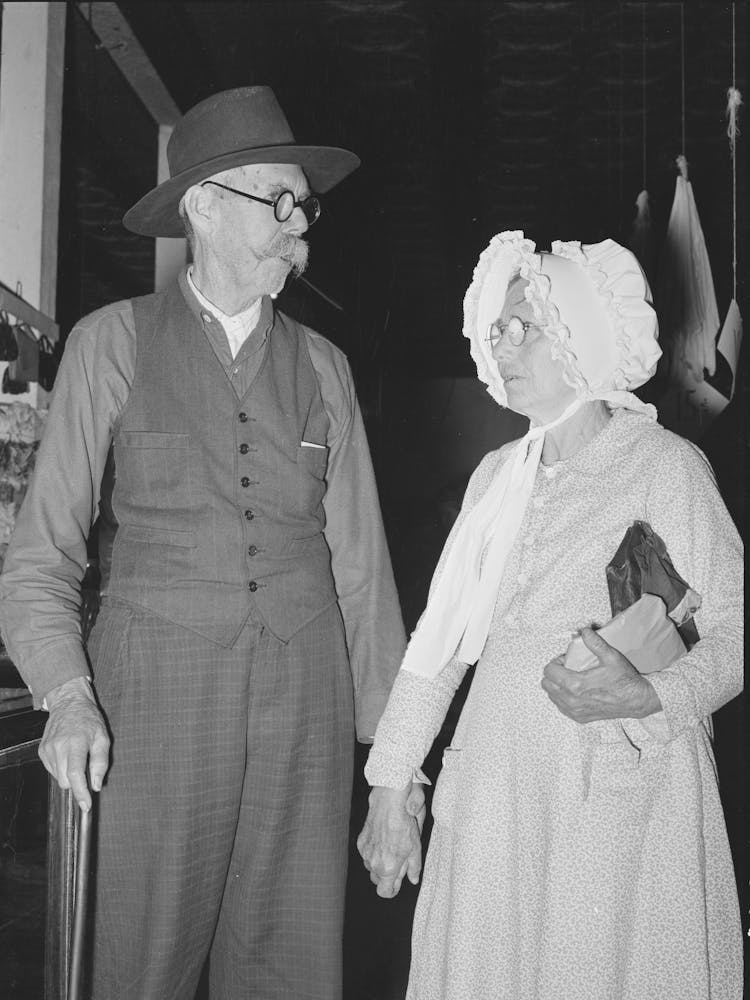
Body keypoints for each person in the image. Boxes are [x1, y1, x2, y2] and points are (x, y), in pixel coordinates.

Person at [0, 86, 406, 1000]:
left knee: (290, 975)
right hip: (151, 714)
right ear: (203, 206)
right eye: (280, 201)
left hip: (305, 719)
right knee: (133, 971)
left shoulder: (327, 369)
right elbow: (39, 562)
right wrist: (67, 694)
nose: (299, 229)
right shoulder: (112, 343)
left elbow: (364, 577)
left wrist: (394, 768)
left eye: (305, 208)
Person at [358, 231, 743, 999]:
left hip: (615, 808)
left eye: (522, 327)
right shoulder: (495, 478)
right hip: (497, 805)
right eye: (495, 330)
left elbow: (738, 632)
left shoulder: (665, 466)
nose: (501, 345)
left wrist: (651, 694)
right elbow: (441, 647)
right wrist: (390, 784)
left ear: (582, 334)